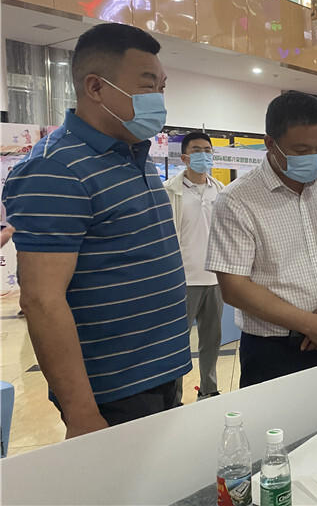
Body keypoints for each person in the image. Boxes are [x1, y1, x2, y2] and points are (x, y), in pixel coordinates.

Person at [1, 23, 191, 436]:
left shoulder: (133, 155)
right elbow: (42, 300)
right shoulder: (56, 168)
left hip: (161, 370)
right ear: (95, 87)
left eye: (161, 87)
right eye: (148, 86)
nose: (159, 100)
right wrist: (81, 412)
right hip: (113, 390)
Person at [206, 91, 317, 387]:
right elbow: (234, 288)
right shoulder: (237, 200)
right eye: (301, 150)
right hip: (274, 350)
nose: (314, 158)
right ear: (270, 144)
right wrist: (309, 324)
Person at [164, 131, 225, 402]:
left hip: (215, 279)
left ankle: (209, 389)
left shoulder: (220, 191)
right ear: (185, 157)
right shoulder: (170, 191)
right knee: (178, 343)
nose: (204, 155)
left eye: (208, 150)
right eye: (197, 151)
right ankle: (174, 397)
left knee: (212, 340)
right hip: (183, 280)